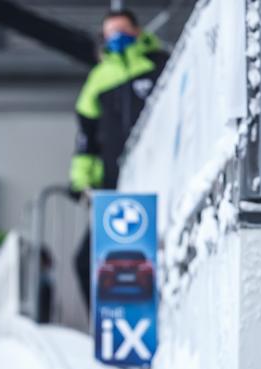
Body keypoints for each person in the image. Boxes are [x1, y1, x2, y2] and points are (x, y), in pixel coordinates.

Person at [70, 9, 168, 306]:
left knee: (157, 256)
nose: (117, 38)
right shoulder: (97, 80)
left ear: (138, 31)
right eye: (111, 33)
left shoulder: (161, 65)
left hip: (161, 179)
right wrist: (81, 181)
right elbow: (86, 139)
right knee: (86, 261)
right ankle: (103, 330)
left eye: (123, 30)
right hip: (116, 190)